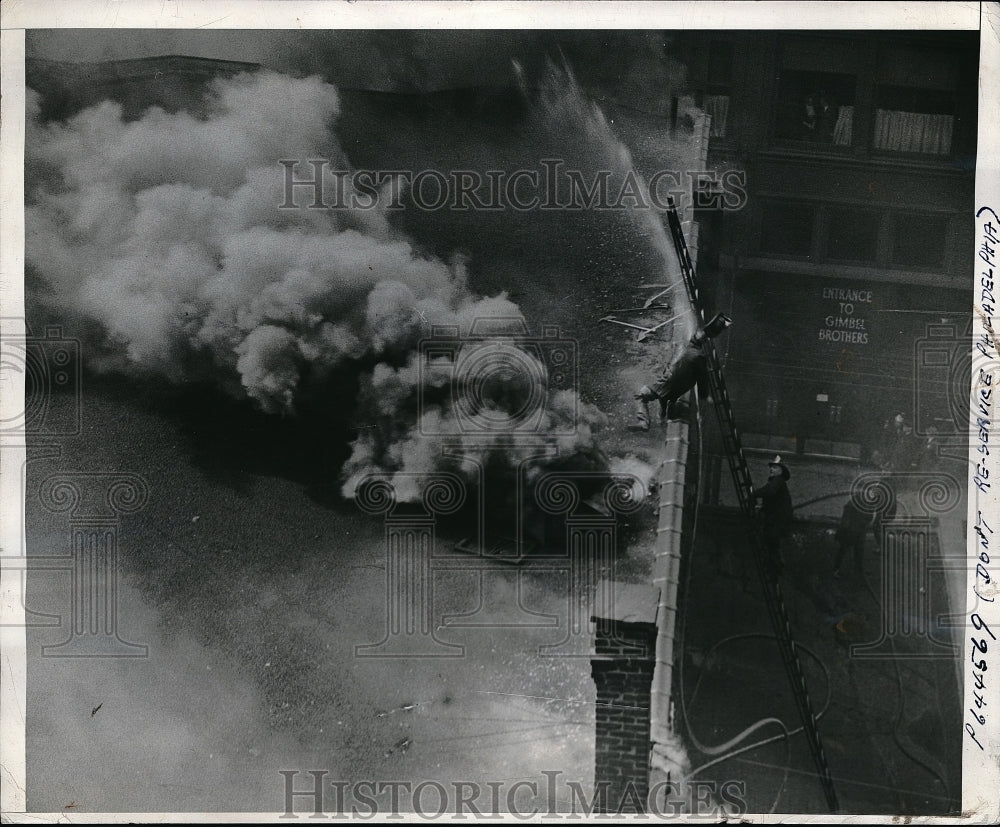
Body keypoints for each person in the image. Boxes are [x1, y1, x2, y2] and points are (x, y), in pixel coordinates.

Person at [628, 313, 733, 431]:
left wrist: (704, 395)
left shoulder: (693, 353)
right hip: (679, 388)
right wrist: (704, 395)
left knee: (642, 395)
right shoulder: (698, 354)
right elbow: (702, 377)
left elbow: (702, 377)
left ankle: (644, 422)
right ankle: (663, 422)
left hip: (670, 382)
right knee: (665, 400)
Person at [751, 455, 794, 577]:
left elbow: (769, 492)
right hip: (777, 520)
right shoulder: (776, 482)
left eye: (774, 467)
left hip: (776, 521)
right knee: (772, 545)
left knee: (771, 543)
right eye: (771, 467)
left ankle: (775, 569)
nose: (771, 470)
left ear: (780, 471)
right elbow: (771, 496)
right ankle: (774, 568)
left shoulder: (777, 481)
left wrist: (754, 494)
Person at [833, 498, 873, 577]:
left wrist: (865, 523)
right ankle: (836, 570)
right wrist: (844, 530)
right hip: (850, 532)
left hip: (860, 532)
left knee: (859, 552)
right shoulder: (852, 503)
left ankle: (859, 571)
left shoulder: (868, 504)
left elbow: (870, 517)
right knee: (843, 550)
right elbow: (845, 519)